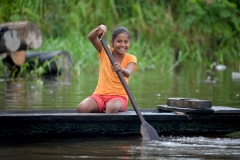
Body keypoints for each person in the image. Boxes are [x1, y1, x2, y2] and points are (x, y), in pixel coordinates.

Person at [77, 24, 137, 113]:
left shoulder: (131, 58)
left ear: (129, 43)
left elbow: (128, 72)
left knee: (111, 108)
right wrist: (100, 28)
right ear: (112, 42)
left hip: (119, 97)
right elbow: (91, 37)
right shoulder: (105, 51)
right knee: (82, 107)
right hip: (99, 95)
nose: (123, 45)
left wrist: (122, 69)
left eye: (126, 42)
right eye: (119, 41)